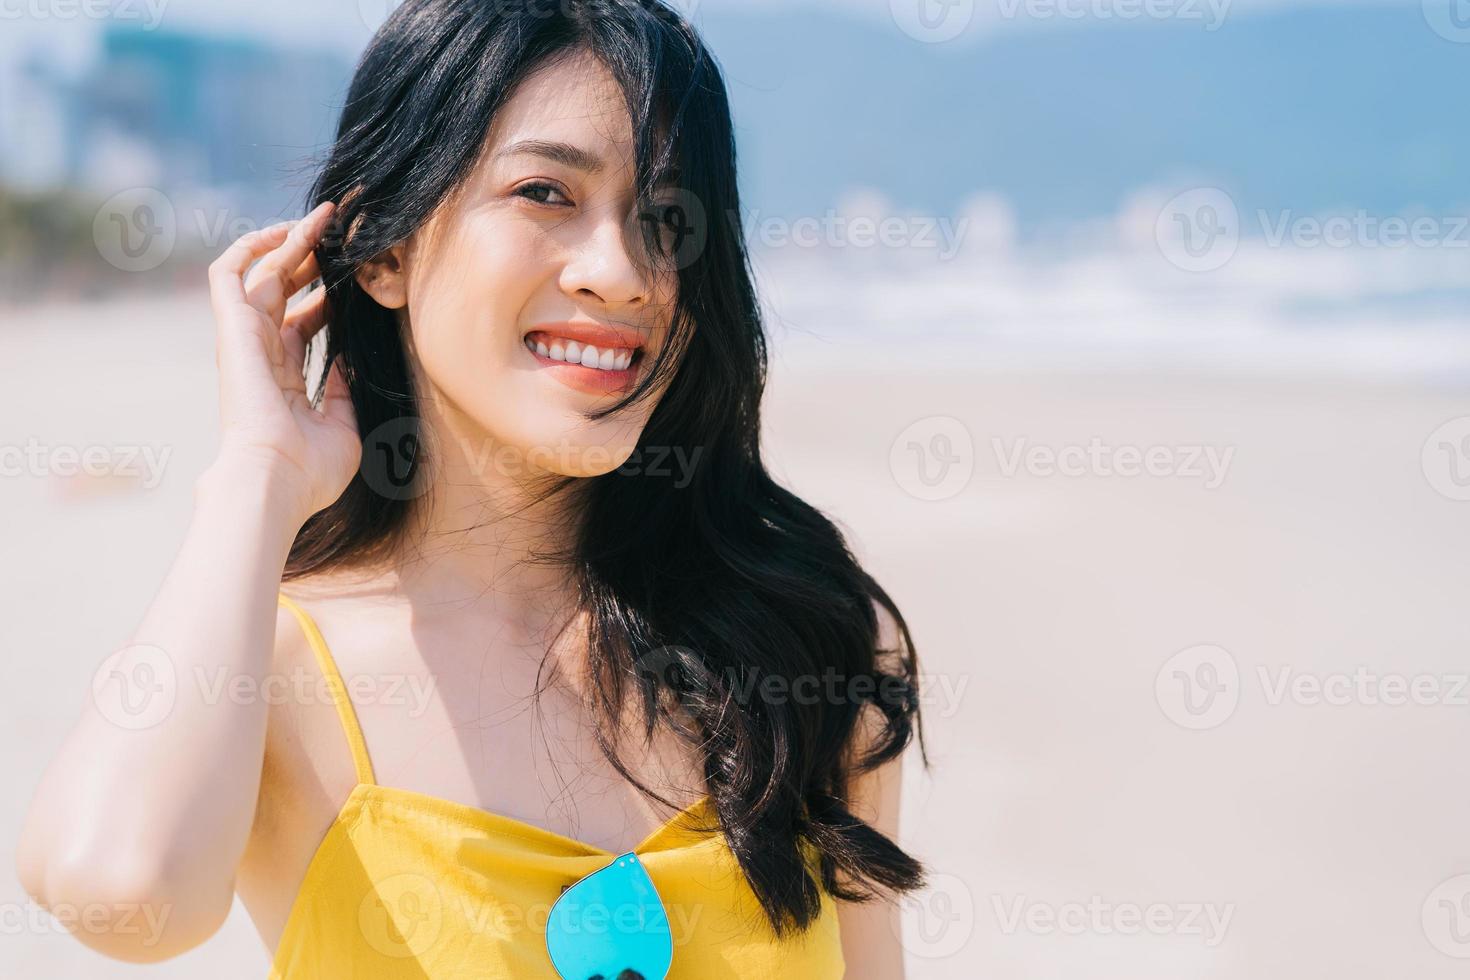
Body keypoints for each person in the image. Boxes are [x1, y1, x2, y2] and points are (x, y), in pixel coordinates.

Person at [18, 2, 925, 976]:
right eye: (546, 192)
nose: (623, 273)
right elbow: (122, 889)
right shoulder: (276, 664)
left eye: (666, 218)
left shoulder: (805, 638)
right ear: (384, 250)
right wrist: (259, 469)